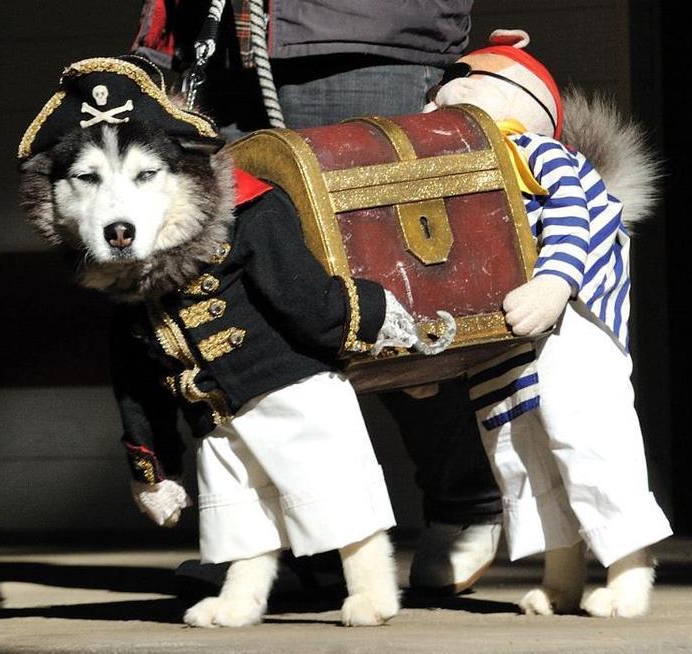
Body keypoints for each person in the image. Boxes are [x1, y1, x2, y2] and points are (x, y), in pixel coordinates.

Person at [130, 0, 504, 594]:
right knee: (244, 314)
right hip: (220, 40)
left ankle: (463, 499)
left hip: (363, 36)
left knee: (392, 288)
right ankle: (294, 545)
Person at [427, 29, 673, 617]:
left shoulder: (538, 154)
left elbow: (578, 214)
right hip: (503, 343)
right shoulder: (463, 178)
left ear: (513, 98)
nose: (432, 106)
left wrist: (555, 281)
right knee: (521, 449)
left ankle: (630, 567)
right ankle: (562, 573)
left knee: (586, 434)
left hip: (572, 325)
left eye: (448, 95)